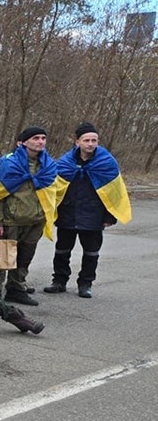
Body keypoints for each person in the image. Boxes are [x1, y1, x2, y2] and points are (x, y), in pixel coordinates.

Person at [45, 122, 132, 298]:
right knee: (62, 250)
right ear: (77, 142)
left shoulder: (107, 163)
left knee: (91, 253)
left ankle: (85, 283)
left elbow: (115, 191)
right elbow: (54, 188)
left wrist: (109, 216)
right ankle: (59, 281)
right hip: (68, 213)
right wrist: (53, 210)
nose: (90, 144)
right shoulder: (65, 162)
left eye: (94, 140)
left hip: (94, 215)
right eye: (86, 140)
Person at [0, 127, 57, 303]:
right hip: (10, 220)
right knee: (0, 257)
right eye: (36, 138)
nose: (40, 141)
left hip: (35, 220)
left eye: (43, 138)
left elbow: (51, 192)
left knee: (24, 257)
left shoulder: (49, 166)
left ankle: (16, 288)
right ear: (24, 142)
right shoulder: (9, 164)